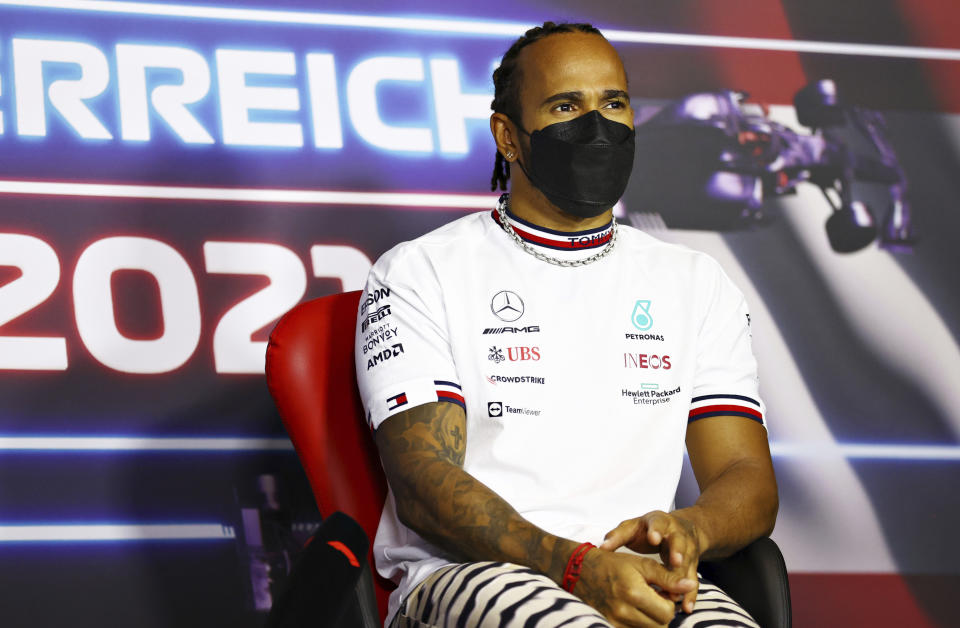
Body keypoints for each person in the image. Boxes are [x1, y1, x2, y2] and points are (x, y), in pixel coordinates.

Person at [354, 21, 778, 628]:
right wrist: (574, 566)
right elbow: (424, 483)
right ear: (508, 136)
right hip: (471, 576)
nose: (596, 126)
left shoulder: (694, 281)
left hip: (639, 574)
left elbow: (746, 476)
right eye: (565, 106)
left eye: (613, 103)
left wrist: (691, 528)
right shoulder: (419, 271)